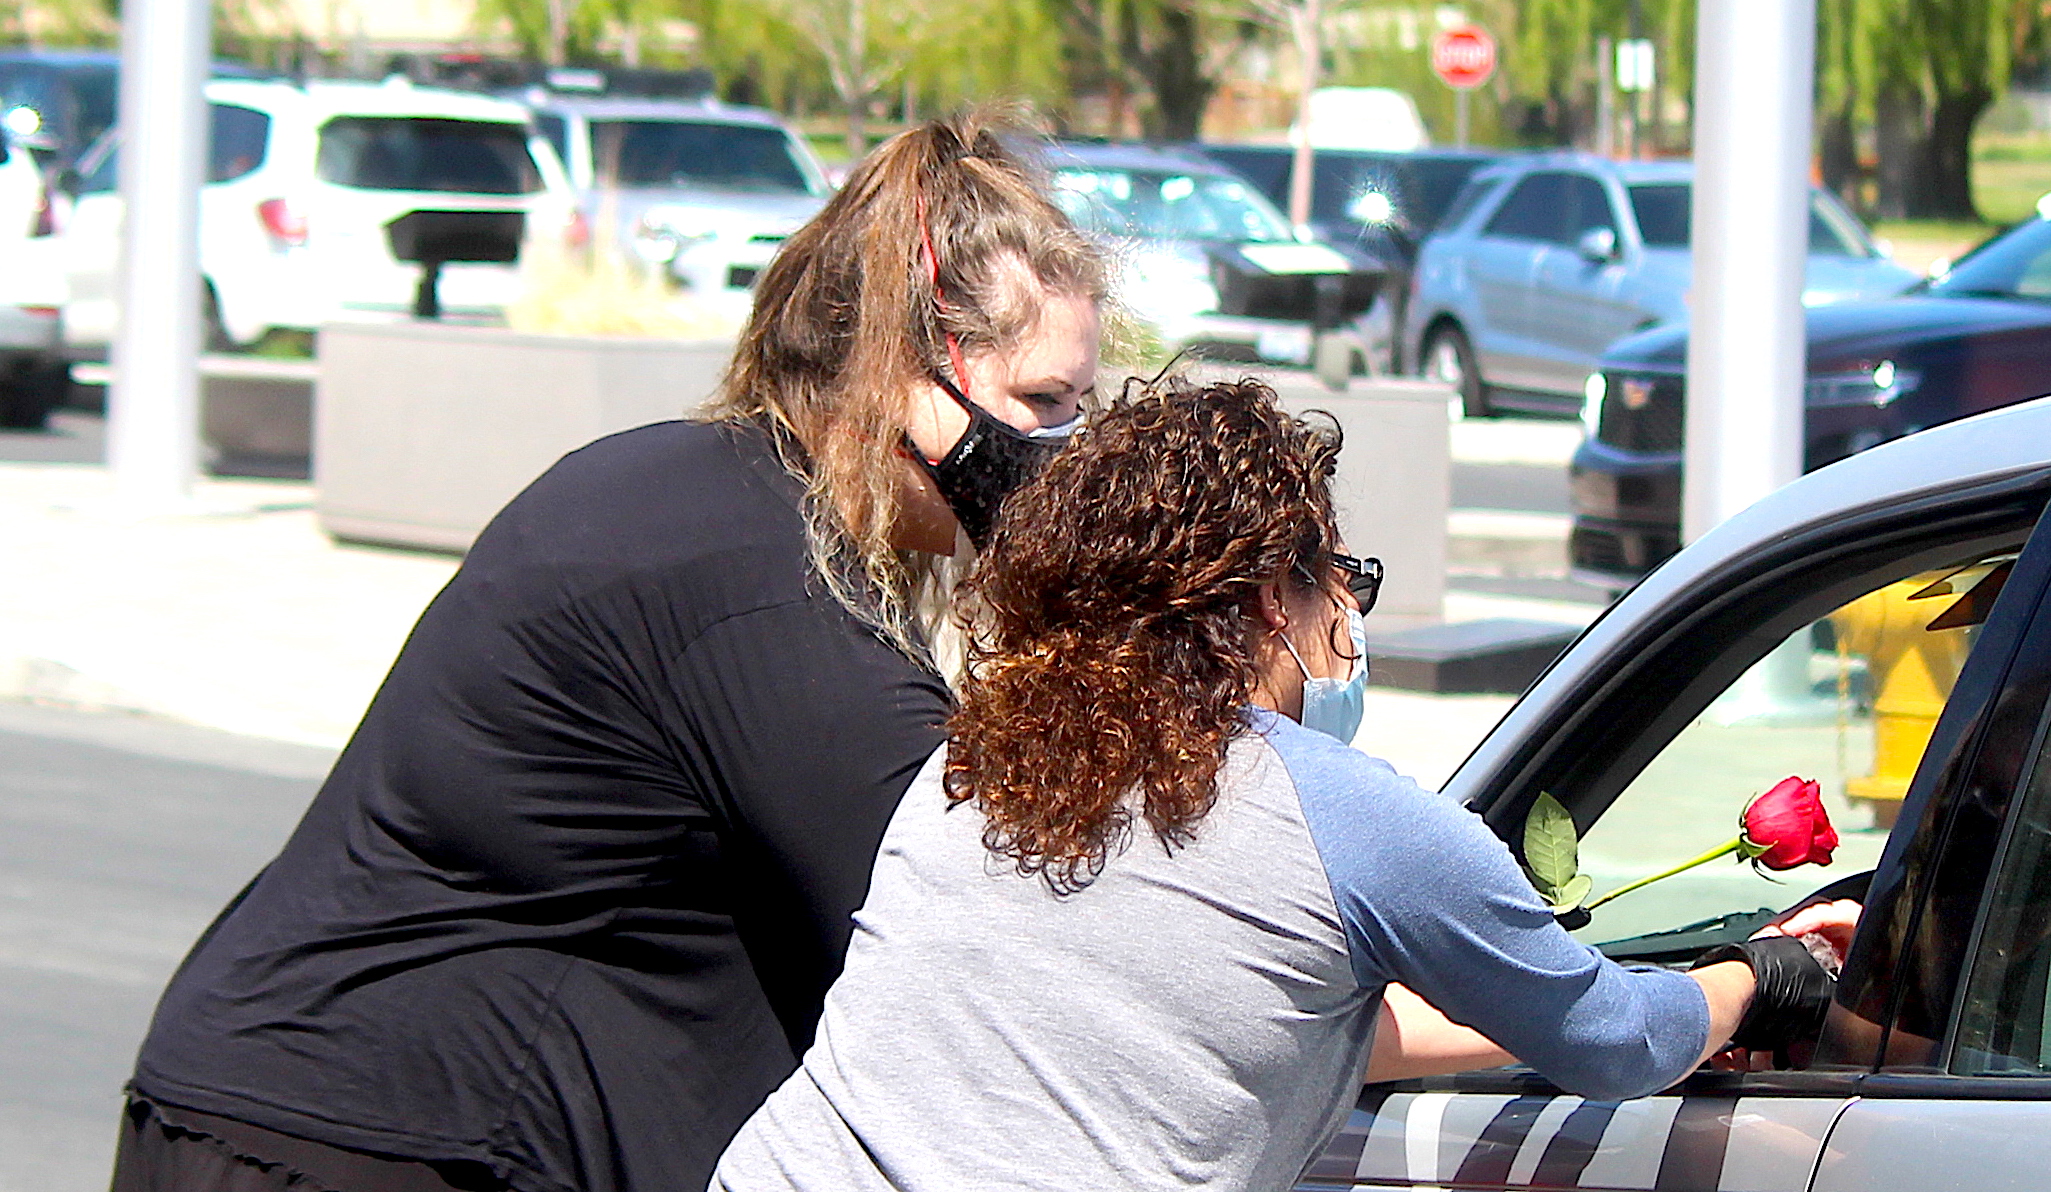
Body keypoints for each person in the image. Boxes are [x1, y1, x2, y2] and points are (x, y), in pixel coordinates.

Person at [110, 110, 1105, 1192]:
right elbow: (975, 905)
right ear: (897, 374)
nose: (1061, 455)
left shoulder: (716, 497)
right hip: (356, 1141)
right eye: (1039, 404)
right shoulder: (757, 577)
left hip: (316, 1113)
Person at [711, 378, 1841, 1191]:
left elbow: (1255, 1017)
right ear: (1267, 602)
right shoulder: (1348, 816)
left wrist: (1528, 1008)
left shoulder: (981, 756)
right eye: (1336, 580)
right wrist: (1757, 977)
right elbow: (1608, 1038)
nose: (1345, 620)